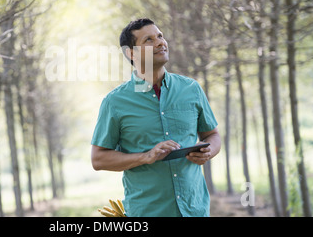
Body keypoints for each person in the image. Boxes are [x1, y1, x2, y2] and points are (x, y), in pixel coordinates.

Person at [91, 18, 221, 217]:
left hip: (195, 210)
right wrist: (146, 157)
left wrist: (208, 151)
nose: (161, 42)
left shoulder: (191, 89)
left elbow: (213, 135)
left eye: (160, 36)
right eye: (149, 40)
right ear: (131, 53)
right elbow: (98, 159)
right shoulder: (115, 102)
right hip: (147, 212)